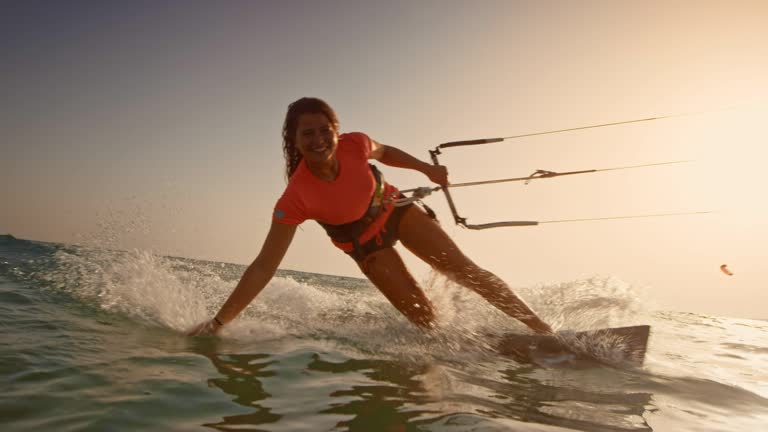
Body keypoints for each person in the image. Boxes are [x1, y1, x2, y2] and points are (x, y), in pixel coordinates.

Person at [187, 97, 553, 336]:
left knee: (463, 269)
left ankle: (541, 330)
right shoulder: (295, 197)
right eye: (307, 134)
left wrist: (427, 170)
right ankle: (470, 349)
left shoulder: (355, 144)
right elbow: (264, 266)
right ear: (294, 141)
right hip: (364, 244)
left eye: (324, 131)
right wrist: (219, 323)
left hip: (394, 210)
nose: (318, 140)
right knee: (426, 322)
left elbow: (386, 152)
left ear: (336, 131)